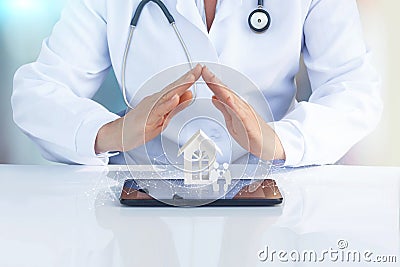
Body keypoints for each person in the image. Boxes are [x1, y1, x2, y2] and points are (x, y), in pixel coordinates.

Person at [11, 0, 382, 166]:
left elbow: (355, 90)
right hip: (146, 194)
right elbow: (37, 92)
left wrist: (281, 140)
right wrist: (114, 131)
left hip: (271, 185)